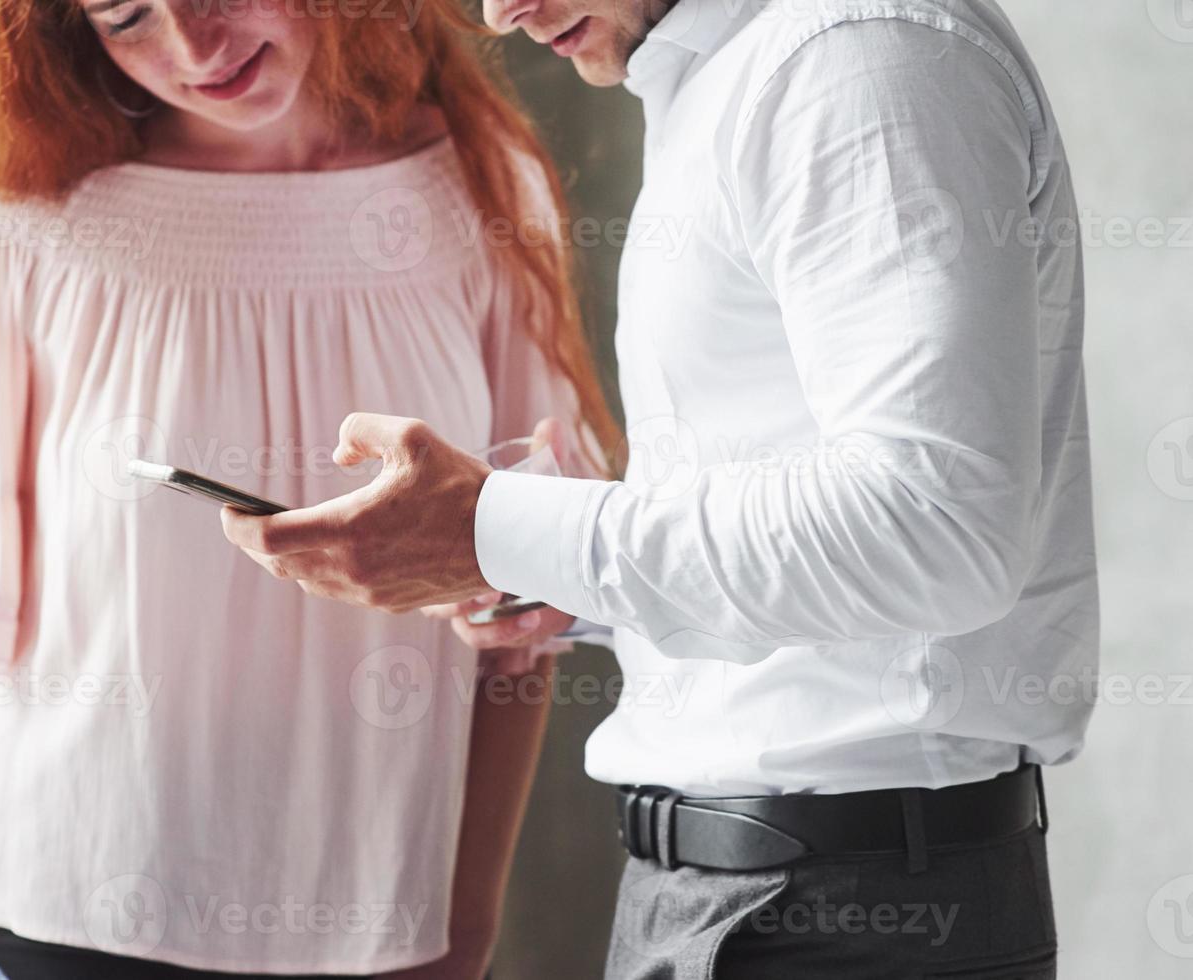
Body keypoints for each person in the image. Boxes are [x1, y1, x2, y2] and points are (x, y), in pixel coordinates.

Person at [221, 0, 1098, 975]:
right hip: (753, 891)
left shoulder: (854, 56)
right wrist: (570, 570)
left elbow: (936, 527)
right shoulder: (724, 73)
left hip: (845, 907)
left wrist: (502, 524)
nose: (501, 13)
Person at [0, 0, 621, 977]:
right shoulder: (21, 209)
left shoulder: (476, 189)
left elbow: (521, 625)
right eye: (125, 16)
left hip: (370, 920)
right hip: (45, 903)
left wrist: (462, 933)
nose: (192, 49)